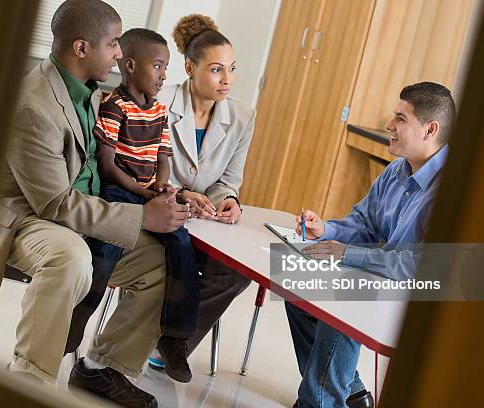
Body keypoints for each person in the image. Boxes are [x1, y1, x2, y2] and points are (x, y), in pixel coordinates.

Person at [0, 1, 189, 406]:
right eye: (112, 44)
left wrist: (158, 194)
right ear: (80, 48)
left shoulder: (89, 92)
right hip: (25, 216)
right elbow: (54, 203)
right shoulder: (34, 105)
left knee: (158, 261)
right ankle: (29, 378)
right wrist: (142, 214)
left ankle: (102, 369)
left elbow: (112, 162)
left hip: (78, 209)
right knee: (70, 258)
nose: (120, 54)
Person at [286, 82, 456, 407]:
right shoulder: (396, 170)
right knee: (298, 288)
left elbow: (419, 265)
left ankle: (318, 402)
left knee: (347, 298)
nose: (388, 126)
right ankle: (348, 394)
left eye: (400, 119)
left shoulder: (449, 190)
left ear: (430, 129)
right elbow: (364, 223)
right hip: (383, 279)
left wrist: (347, 253)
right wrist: (325, 229)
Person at [74, 28, 200, 384]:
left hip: (147, 194)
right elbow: (108, 165)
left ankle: (175, 337)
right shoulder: (115, 106)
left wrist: (161, 183)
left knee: (182, 244)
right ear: (129, 65)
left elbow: (163, 154)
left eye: (166, 68)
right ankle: (82, 312)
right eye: (158, 67)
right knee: (108, 246)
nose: (164, 76)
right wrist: (147, 197)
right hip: (119, 193)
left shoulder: (160, 111)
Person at [141, 14, 257, 374]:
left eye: (232, 69)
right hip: (159, 217)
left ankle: (169, 344)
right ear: (190, 67)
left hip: (204, 226)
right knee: (178, 263)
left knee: (236, 274)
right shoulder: (160, 104)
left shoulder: (242, 116)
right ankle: (152, 339)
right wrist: (182, 194)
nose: (228, 80)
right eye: (217, 70)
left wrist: (229, 200)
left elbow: (229, 179)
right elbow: (141, 172)